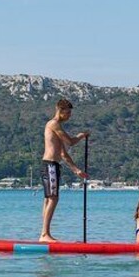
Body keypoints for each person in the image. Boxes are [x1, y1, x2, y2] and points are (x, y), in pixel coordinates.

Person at [39, 99, 90, 242]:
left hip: (52, 165)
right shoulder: (53, 124)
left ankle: (44, 234)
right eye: (67, 113)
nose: (69, 116)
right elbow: (71, 142)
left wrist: (76, 170)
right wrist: (81, 135)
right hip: (49, 165)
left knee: (48, 199)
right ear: (59, 110)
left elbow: (63, 153)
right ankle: (44, 234)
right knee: (52, 198)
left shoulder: (57, 127)